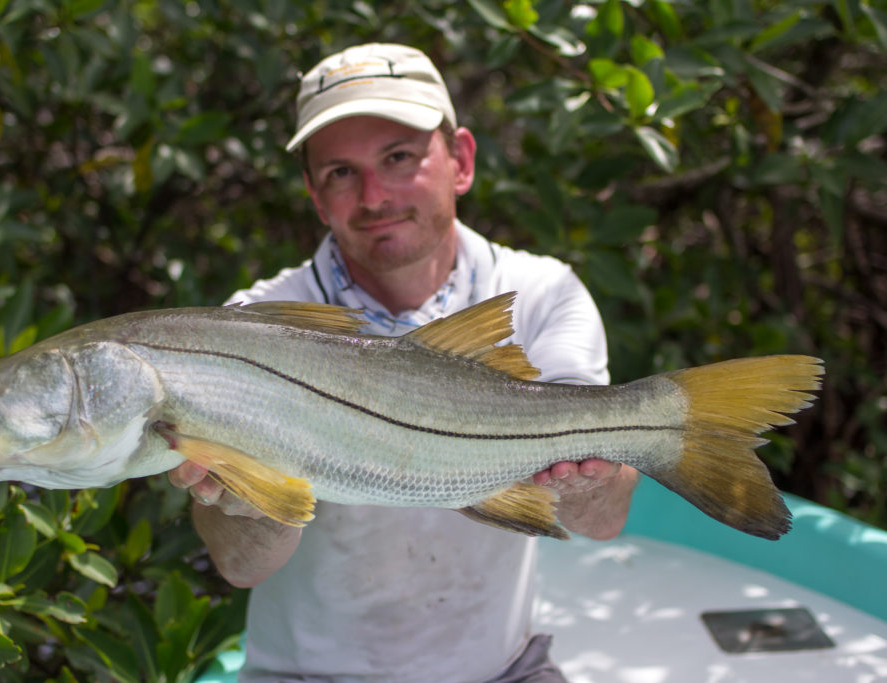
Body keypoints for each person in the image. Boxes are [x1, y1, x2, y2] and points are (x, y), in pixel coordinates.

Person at [169, 43, 640, 683]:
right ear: (314, 194)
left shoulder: (543, 293)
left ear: (462, 161)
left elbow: (603, 520)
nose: (373, 195)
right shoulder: (255, 323)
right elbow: (242, 566)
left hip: (505, 671)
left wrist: (591, 477)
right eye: (340, 172)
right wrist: (249, 502)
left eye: (398, 157)